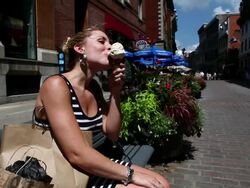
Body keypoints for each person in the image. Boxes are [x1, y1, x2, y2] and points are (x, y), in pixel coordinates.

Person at [33, 26, 170, 188]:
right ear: (80, 48)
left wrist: (115, 92)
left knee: (162, 183)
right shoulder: (56, 85)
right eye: (101, 41)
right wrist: (130, 175)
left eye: (110, 43)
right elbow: (76, 154)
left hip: (88, 163)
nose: (110, 47)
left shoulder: (94, 88)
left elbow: (112, 133)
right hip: (61, 170)